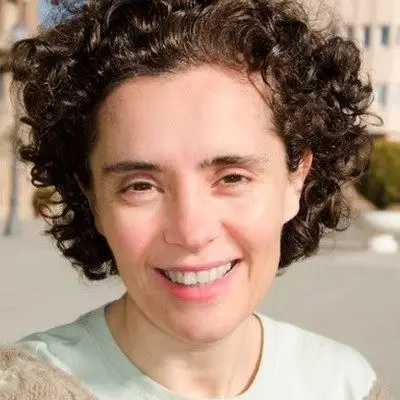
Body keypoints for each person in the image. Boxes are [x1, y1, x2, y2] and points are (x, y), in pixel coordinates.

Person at [5, 0, 392, 398]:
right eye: (141, 186)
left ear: (296, 180)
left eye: (232, 177)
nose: (191, 232)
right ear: (93, 201)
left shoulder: (347, 385)